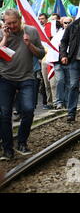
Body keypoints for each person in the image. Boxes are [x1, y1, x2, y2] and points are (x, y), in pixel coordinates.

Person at [0, 9, 46, 160]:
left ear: (20, 20)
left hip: (27, 77)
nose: (12, 26)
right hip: (6, 78)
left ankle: (22, 142)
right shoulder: (2, 33)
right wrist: (5, 38)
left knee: (28, 110)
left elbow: (41, 54)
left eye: (14, 22)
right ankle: (7, 148)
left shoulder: (31, 31)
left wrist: (29, 45)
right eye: (8, 23)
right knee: (4, 114)